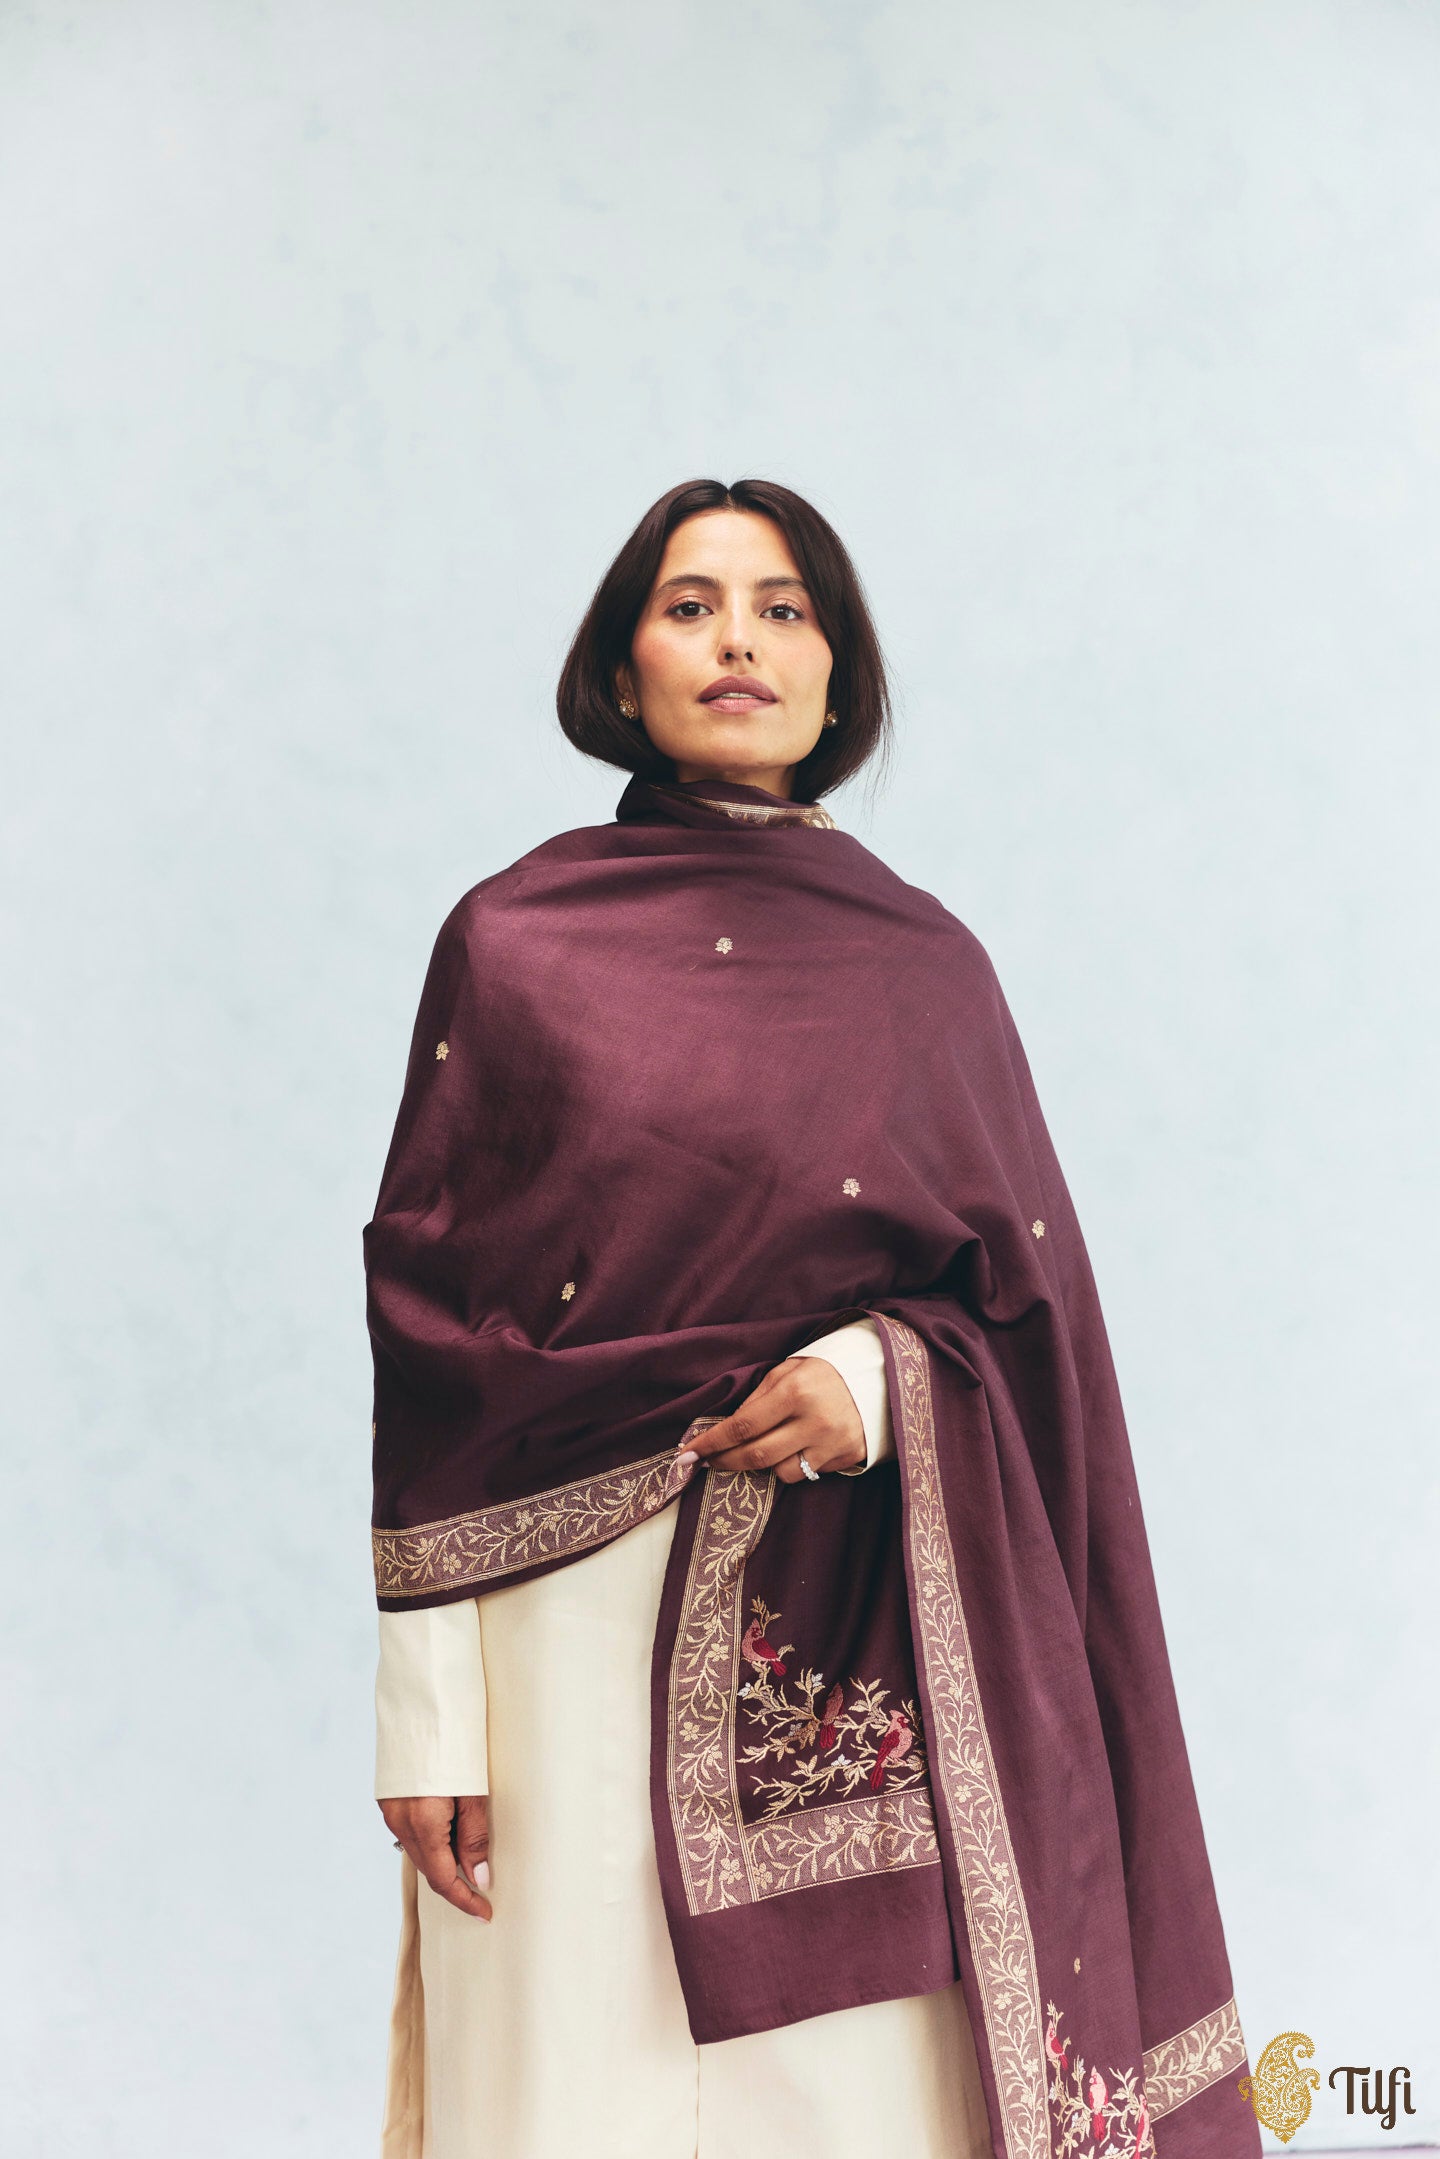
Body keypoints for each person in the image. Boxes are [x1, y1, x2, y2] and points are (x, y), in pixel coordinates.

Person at [365, 479, 1260, 2159]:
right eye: (690, 604)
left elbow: (1026, 1318)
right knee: (569, 2084)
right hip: (556, 1650)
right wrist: (429, 1714)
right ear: (619, 669)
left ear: (838, 676)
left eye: (784, 609)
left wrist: (879, 1377)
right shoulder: (512, 946)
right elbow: (431, 1338)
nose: (739, 640)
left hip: (864, 1633)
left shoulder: (925, 967)